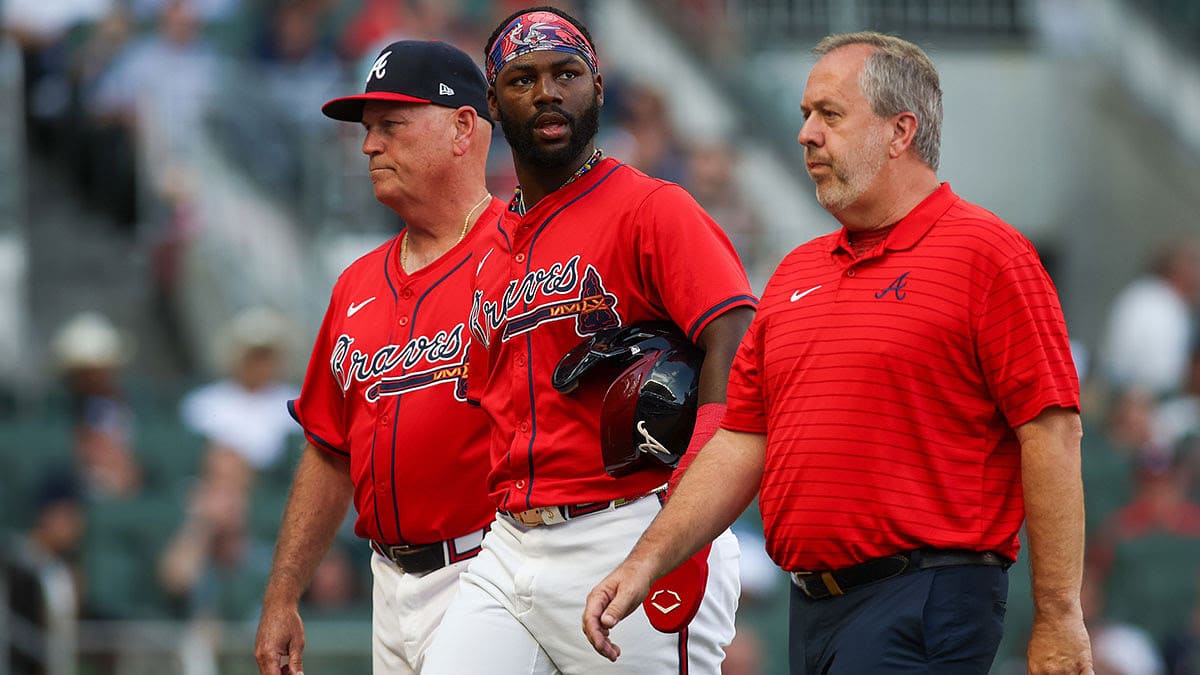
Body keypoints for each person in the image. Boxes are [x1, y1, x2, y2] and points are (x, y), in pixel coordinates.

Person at [584, 32, 1093, 674]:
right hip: (813, 606)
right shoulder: (798, 270)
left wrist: (1058, 615)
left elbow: (1052, 433)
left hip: (924, 596)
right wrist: (645, 561)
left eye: (829, 114)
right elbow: (743, 440)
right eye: (804, 115)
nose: (806, 135)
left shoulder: (989, 256)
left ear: (900, 131)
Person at [421, 7, 755, 674]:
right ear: (491, 102)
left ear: (598, 86)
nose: (547, 91)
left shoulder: (651, 207)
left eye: (566, 73)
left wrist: (687, 511)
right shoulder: (486, 242)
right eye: (522, 79)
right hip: (512, 542)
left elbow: (738, 337)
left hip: (631, 523)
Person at [253, 39, 504, 675]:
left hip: (494, 573)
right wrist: (284, 596)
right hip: (387, 584)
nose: (368, 146)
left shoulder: (523, 261)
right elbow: (328, 449)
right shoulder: (356, 284)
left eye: (390, 126)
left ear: (461, 127)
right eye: (368, 131)